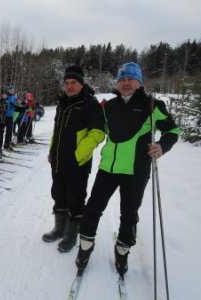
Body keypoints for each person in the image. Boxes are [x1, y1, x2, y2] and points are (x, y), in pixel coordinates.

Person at [75, 62, 180, 276]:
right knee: (92, 208)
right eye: (122, 79)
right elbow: (98, 129)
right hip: (108, 169)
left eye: (130, 79)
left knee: (129, 214)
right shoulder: (109, 106)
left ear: (139, 82)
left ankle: (122, 251)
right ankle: (85, 247)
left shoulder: (152, 105)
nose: (126, 83)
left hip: (136, 171)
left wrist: (162, 146)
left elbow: (173, 130)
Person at [43, 66, 105, 253]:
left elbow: (97, 133)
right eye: (66, 83)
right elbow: (57, 130)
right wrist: (52, 151)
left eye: (73, 83)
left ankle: (71, 234)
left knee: (75, 199)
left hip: (78, 164)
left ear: (81, 84)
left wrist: (78, 155)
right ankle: (59, 228)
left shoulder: (90, 104)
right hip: (58, 161)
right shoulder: (62, 103)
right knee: (59, 195)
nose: (69, 87)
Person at [3, 85, 17, 149]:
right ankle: (6, 143)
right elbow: (5, 104)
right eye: (10, 90)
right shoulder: (6, 96)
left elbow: (16, 105)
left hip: (12, 115)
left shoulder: (14, 97)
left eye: (12, 90)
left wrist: (14, 105)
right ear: (8, 90)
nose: (11, 91)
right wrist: (9, 104)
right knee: (6, 130)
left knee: (10, 130)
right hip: (6, 116)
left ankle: (8, 142)